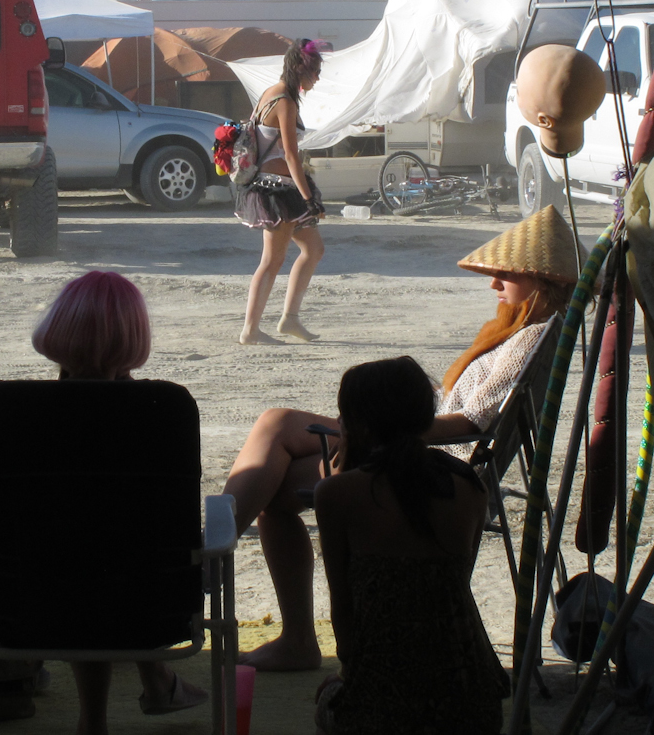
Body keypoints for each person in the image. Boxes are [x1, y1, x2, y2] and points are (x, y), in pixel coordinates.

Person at [220, 206, 578, 670]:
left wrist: (381, 422)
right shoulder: (522, 331)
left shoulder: (527, 340)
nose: (494, 285)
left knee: (276, 459)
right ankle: (235, 577)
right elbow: (464, 407)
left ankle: (216, 566)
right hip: (414, 435)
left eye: (504, 276)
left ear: (539, 281)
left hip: (424, 451)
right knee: (276, 433)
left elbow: (472, 421)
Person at [31, 270, 209, 735]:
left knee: (79, 549)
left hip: (34, 602)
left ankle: (95, 720)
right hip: (155, 603)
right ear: (135, 336)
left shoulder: (14, 414)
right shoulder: (163, 413)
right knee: (115, 548)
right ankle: (157, 678)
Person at [313, 356, 510, 734]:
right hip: (473, 704)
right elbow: (454, 586)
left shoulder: (337, 494)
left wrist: (344, 677)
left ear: (356, 424)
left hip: (384, 711)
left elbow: (345, 612)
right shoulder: (470, 486)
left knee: (327, 702)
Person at [236, 37, 330, 345]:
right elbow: (291, 155)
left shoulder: (271, 93)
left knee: (313, 249)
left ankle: (290, 319)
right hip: (277, 192)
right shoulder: (285, 102)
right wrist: (308, 199)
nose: (317, 78)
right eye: (314, 72)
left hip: (281, 188)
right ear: (300, 71)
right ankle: (250, 330)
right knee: (272, 260)